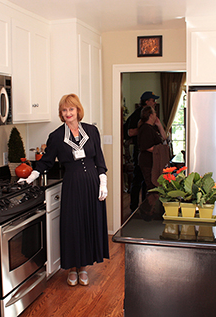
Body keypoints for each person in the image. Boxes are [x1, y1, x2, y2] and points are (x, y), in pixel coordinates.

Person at [18, 93, 109, 287]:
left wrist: (103, 181)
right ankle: (71, 268)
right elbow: (47, 162)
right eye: (64, 110)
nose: (68, 113)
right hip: (73, 187)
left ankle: (83, 267)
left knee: (88, 225)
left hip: (92, 185)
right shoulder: (56, 136)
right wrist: (30, 177)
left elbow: (99, 158)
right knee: (73, 227)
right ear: (61, 113)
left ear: (78, 110)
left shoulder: (92, 131)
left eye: (71, 109)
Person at [125, 91, 159, 212]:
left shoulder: (153, 116)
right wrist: (143, 129)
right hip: (140, 153)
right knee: (138, 180)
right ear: (146, 101)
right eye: (153, 100)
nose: (155, 103)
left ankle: (146, 205)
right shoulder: (136, 115)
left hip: (149, 155)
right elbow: (128, 132)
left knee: (147, 181)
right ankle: (134, 207)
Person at [137, 105, 167, 191]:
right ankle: (150, 203)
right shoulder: (145, 129)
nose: (156, 114)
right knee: (152, 185)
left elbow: (164, 138)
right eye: (154, 112)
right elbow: (148, 147)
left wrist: (160, 125)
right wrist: (162, 150)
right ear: (150, 115)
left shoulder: (152, 128)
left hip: (154, 161)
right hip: (148, 162)